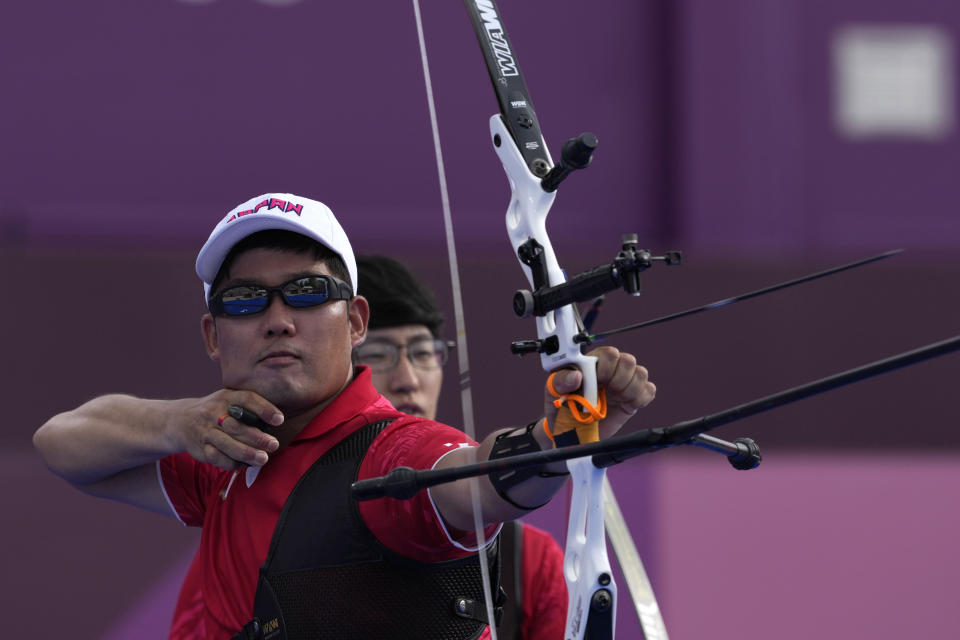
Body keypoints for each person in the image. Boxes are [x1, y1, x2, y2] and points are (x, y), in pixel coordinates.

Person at [33, 193, 656, 640]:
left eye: (306, 293)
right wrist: (180, 423)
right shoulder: (227, 452)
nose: (278, 319)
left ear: (355, 321)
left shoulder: (392, 452)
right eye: (246, 301)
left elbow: (473, 482)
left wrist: (555, 439)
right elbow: (61, 444)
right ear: (212, 337)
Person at [353, 254, 567, 640]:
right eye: (377, 354)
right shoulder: (286, 522)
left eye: (422, 352)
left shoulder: (527, 561)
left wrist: (560, 433)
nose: (407, 379)